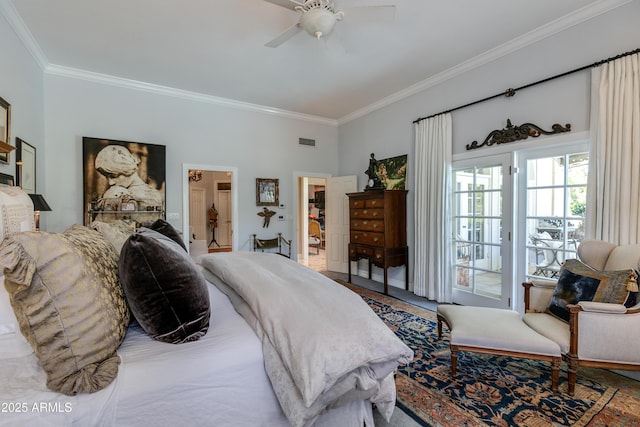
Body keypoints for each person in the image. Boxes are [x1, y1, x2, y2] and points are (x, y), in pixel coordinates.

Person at [94, 145, 163, 209]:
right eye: (106, 177)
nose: (110, 183)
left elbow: (130, 220)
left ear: (126, 168)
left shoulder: (150, 196)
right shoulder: (116, 191)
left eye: (113, 176)